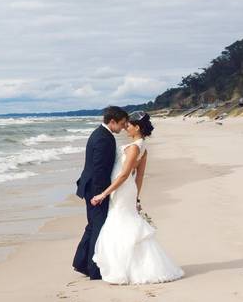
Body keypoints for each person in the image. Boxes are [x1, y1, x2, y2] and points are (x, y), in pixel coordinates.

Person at [91, 111, 184, 284]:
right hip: (128, 190)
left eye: (129, 125)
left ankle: (125, 268)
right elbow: (139, 177)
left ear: (137, 127)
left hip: (122, 188)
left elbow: (125, 175)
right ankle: (131, 265)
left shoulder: (134, 147)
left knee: (120, 223)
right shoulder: (143, 147)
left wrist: (104, 193)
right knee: (124, 222)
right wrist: (136, 197)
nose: (126, 127)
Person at [72, 105, 129, 280]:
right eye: (122, 124)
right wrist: (101, 195)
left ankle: (81, 263)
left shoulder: (101, 134)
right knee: (98, 227)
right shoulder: (103, 138)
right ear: (112, 121)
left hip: (91, 187)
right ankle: (94, 270)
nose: (124, 127)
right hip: (95, 189)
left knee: (92, 226)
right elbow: (99, 170)